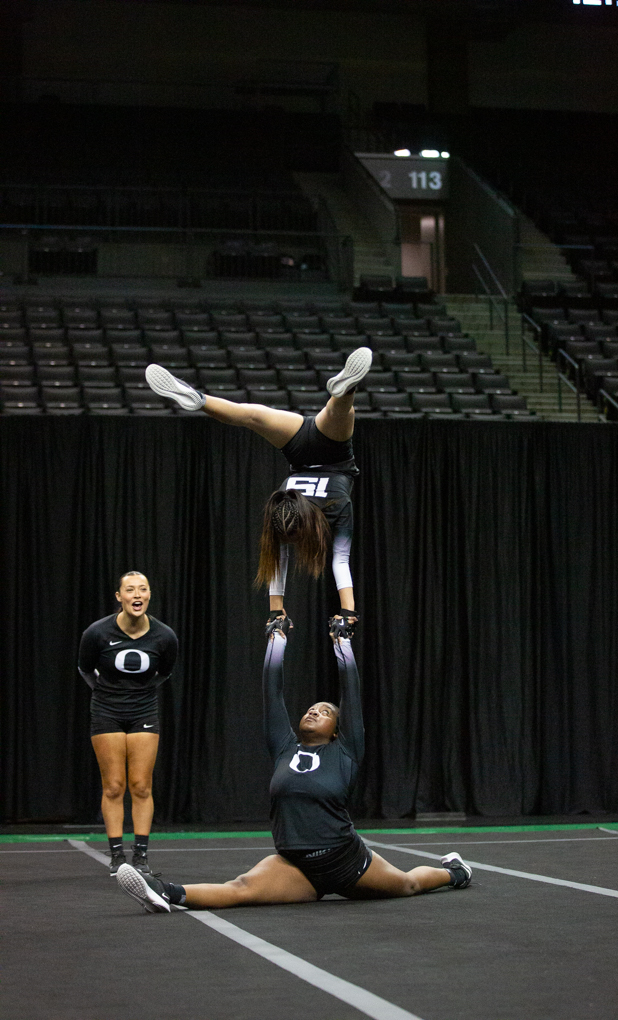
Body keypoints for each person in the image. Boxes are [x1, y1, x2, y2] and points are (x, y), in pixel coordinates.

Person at [116, 617, 471, 912]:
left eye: (326, 710)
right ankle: (163, 891)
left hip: (346, 862)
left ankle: (455, 872)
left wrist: (342, 644)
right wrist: (277, 641)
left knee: (407, 884)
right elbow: (272, 693)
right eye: (311, 708)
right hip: (296, 864)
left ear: (338, 729)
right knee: (240, 888)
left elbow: (352, 693)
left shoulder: (346, 752)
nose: (315, 710)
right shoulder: (284, 747)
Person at [144, 348, 373, 628]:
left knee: (256, 415)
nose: (292, 544)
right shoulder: (282, 504)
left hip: (330, 455)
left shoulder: (333, 507)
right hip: (299, 451)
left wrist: (281, 611)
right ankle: (343, 389)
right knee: (258, 416)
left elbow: (335, 559)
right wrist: (339, 611)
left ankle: (345, 390)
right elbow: (327, 560)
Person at [78, 571, 178, 876]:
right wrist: (109, 694)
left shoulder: (164, 636)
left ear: (149, 595)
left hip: (144, 711)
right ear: (119, 597)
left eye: (143, 589)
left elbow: (165, 673)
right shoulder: (96, 633)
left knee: (140, 785)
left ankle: (141, 857)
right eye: (130, 590)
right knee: (114, 786)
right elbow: (85, 669)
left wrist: (138, 694)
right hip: (106, 711)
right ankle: (117, 855)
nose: (138, 594)